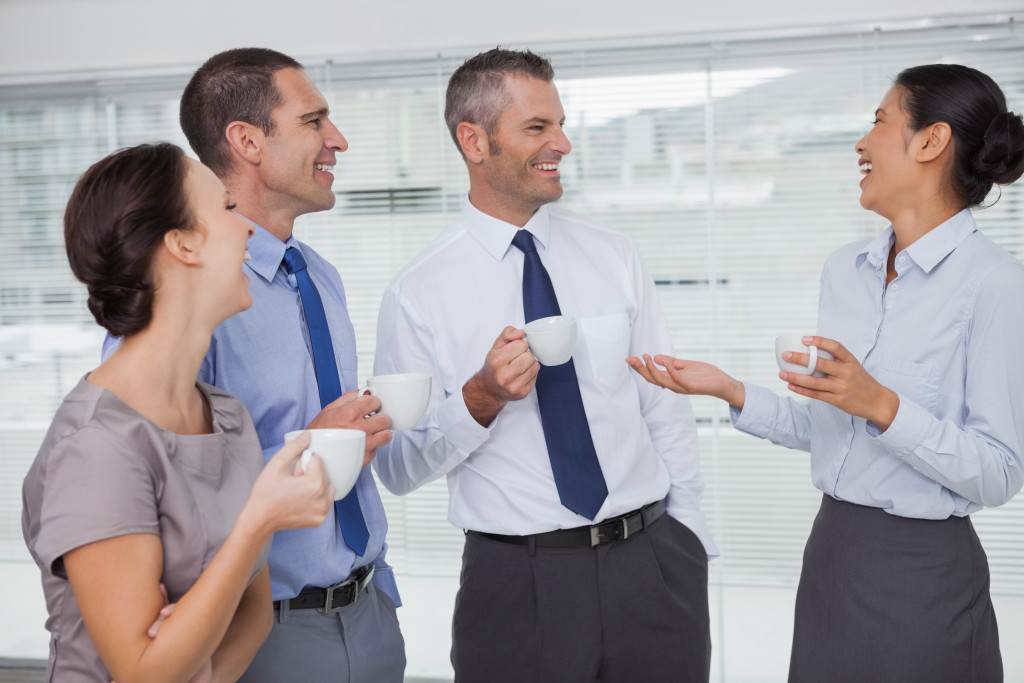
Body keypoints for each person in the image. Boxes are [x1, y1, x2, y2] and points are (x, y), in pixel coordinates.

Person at [629, 63, 1024, 682]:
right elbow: (829, 427)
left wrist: (883, 406)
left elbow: (1000, 472)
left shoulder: (994, 284)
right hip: (831, 557)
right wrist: (729, 390)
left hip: (924, 578)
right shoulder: (847, 270)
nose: (861, 143)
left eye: (879, 121)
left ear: (931, 141)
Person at [373, 48, 716, 682]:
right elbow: (396, 467)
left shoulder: (615, 255)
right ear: (474, 141)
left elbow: (662, 405)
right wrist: (481, 396)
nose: (562, 142)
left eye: (560, 123)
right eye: (537, 128)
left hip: (653, 568)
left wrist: (687, 541)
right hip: (515, 586)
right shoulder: (417, 293)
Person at [104, 48, 405, 681]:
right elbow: (149, 489)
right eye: (314, 122)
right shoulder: (184, 297)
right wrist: (308, 450)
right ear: (247, 141)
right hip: (263, 631)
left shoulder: (319, 277)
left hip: (370, 613)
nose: (337, 141)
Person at [22, 142, 335, 682]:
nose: (248, 231)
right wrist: (257, 523)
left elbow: (254, 618)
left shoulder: (227, 417)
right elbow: (143, 674)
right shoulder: (96, 446)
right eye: (229, 210)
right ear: (183, 244)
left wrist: (181, 651)